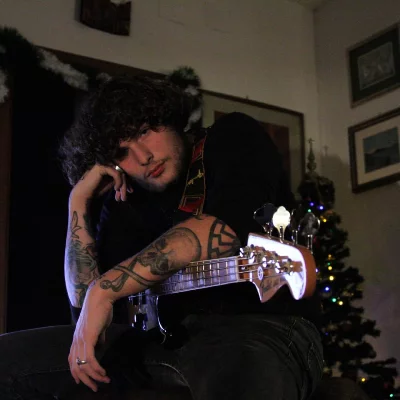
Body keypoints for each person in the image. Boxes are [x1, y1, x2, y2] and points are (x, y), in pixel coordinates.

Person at [0, 75, 323, 400]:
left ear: (167, 117)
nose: (143, 157)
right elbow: (86, 312)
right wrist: (78, 201)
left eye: (144, 132)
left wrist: (105, 289)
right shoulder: (125, 199)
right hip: (159, 341)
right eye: (121, 152)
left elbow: (225, 229)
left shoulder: (232, 136)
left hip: (258, 326)